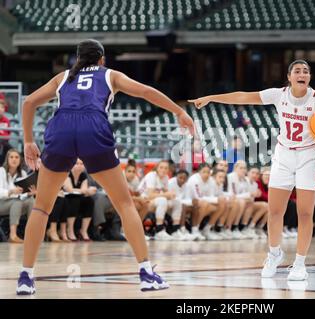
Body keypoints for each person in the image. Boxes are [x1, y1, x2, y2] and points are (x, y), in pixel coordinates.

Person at [17, 39, 195, 295]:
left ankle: (26, 277)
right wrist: (179, 111)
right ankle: (146, 273)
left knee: (42, 208)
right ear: (101, 59)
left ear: (77, 59)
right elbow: (146, 91)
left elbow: (28, 103)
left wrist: (27, 141)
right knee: (124, 204)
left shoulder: (63, 77)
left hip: (62, 129)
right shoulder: (110, 74)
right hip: (93, 128)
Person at [189, 59, 315, 281]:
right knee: (274, 211)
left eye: (306, 71)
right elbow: (243, 96)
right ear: (289, 76)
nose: (302, 74)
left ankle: (300, 264)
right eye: (298, 71)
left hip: (309, 155)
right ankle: (274, 254)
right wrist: (211, 98)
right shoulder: (278, 95)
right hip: (283, 155)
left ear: (309, 77)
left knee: (305, 212)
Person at [139, 160, 183, 241]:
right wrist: (166, 195)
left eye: (166, 168)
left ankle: (175, 230)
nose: (163, 170)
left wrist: (171, 195)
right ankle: (159, 231)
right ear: (157, 168)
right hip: (144, 201)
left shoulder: (166, 177)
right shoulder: (151, 176)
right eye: (161, 167)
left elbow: (166, 192)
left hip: (156, 201)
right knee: (162, 200)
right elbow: (150, 195)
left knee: (177, 202)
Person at [0, 149, 35, 243]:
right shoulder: (1, 171)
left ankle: (32, 233)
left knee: (31, 200)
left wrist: (29, 193)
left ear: (20, 160)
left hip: (16, 203)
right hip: (2, 203)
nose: (14, 159)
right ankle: (13, 235)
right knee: (17, 202)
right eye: (11, 157)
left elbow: (22, 194)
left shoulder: (23, 173)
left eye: (16, 157)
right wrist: (11, 191)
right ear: (7, 159)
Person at [187, 163, 227, 240]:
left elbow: (211, 196)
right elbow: (198, 197)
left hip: (204, 203)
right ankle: (195, 229)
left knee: (222, 204)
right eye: (204, 172)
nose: (206, 174)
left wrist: (219, 200)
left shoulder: (210, 180)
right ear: (199, 172)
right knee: (205, 204)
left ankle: (207, 229)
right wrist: (216, 199)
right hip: (190, 202)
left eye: (208, 172)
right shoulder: (194, 180)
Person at [62, 159, 95, 241]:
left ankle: (83, 231)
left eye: (82, 163)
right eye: (77, 163)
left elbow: (84, 190)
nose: (80, 166)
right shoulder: (67, 174)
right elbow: (69, 190)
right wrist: (83, 190)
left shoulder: (83, 175)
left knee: (89, 201)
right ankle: (70, 230)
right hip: (66, 198)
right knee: (75, 200)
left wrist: (83, 191)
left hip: (78, 197)